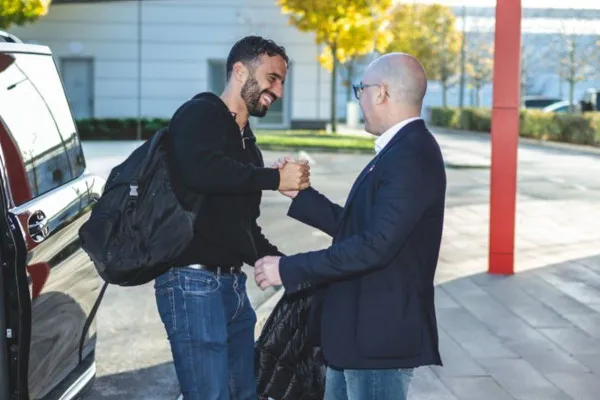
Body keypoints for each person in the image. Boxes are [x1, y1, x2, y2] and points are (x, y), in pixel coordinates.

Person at [255, 52, 446, 400]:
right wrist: (301, 196)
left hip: (377, 341)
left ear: (381, 93)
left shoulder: (411, 155)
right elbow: (360, 229)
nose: (359, 98)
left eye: (361, 89)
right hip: (358, 338)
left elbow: (374, 246)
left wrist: (288, 268)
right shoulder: (401, 151)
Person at [154, 36, 310, 400]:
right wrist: (274, 179)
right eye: (272, 78)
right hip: (191, 285)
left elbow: (242, 227)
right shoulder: (199, 114)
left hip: (231, 289)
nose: (279, 91)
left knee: (244, 393)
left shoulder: (248, 146)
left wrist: (291, 269)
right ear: (240, 71)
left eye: (282, 82)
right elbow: (201, 171)